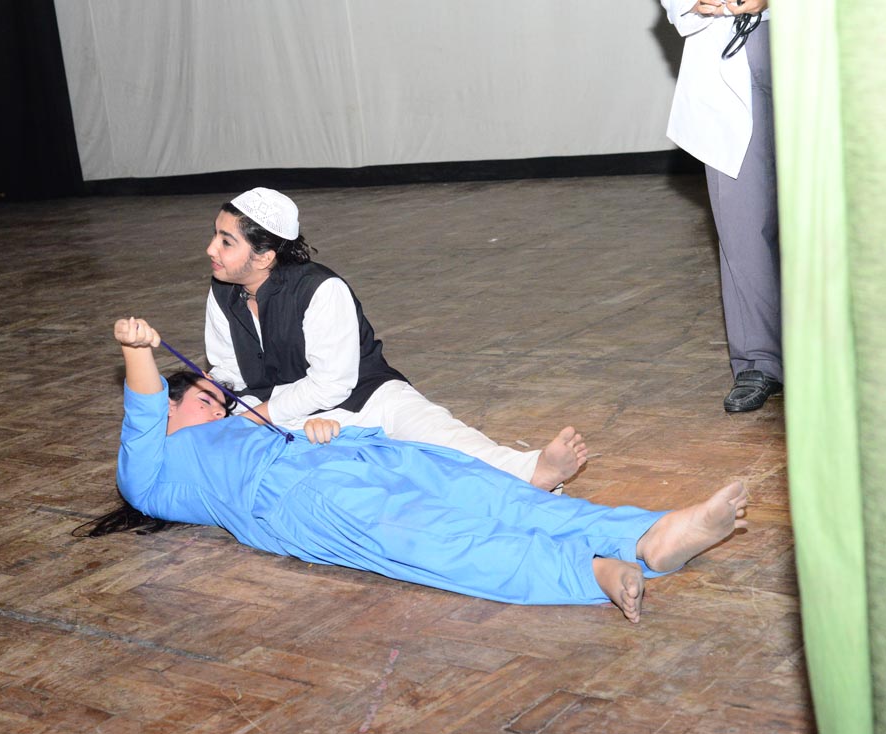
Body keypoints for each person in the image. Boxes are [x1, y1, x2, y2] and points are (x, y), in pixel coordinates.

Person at [105, 316, 749, 623]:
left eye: (220, 396)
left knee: (498, 497)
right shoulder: (154, 474)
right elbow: (142, 408)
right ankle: (588, 573)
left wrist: (323, 427)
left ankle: (647, 536)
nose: (220, 401)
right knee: (440, 536)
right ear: (170, 411)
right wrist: (138, 351)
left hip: (362, 454)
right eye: (203, 397)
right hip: (301, 501)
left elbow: (308, 424)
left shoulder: (243, 424)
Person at [204, 187, 586, 492]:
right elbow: (230, 373)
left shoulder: (320, 289)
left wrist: (257, 416)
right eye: (216, 236)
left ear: (264, 257)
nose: (211, 250)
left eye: (226, 241)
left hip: (369, 399)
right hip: (293, 418)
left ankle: (535, 471)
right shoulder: (222, 292)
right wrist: (227, 403)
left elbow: (331, 384)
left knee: (444, 442)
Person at [660, 1, 782, 412]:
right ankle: (758, 361)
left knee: (822, 216)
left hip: (812, 45)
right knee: (741, 219)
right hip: (729, 45)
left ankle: (833, 352)